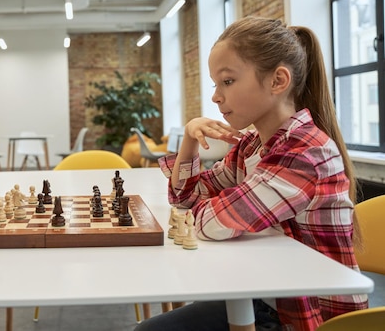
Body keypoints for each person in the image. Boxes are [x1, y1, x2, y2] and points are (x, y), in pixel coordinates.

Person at [136, 17, 368, 331]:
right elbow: (185, 198)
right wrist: (190, 140)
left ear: (277, 81)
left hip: (305, 314)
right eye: (215, 84)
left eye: (227, 82)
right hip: (266, 290)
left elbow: (211, 222)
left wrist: (214, 210)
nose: (216, 96)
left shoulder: (306, 152)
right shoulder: (252, 145)